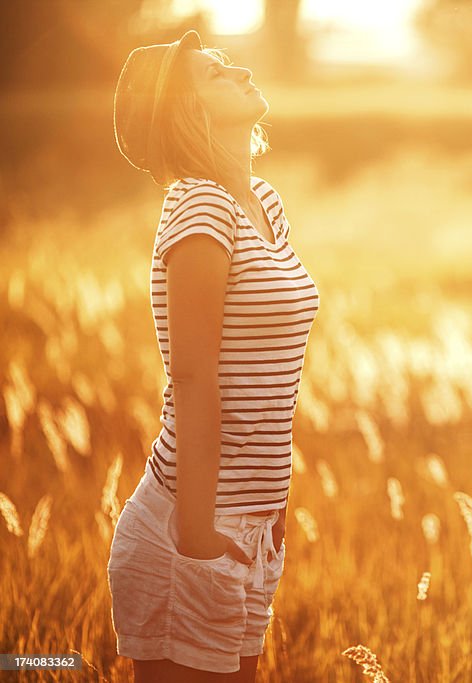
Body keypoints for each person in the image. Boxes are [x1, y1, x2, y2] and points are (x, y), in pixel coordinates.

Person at [107, 29, 319, 681]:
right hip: (189, 526)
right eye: (214, 73)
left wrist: (272, 505)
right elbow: (195, 379)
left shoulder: (264, 204)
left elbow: (267, 375)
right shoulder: (199, 205)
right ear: (186, 112)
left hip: (249, 525)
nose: (238, 69)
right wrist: (198, 534)